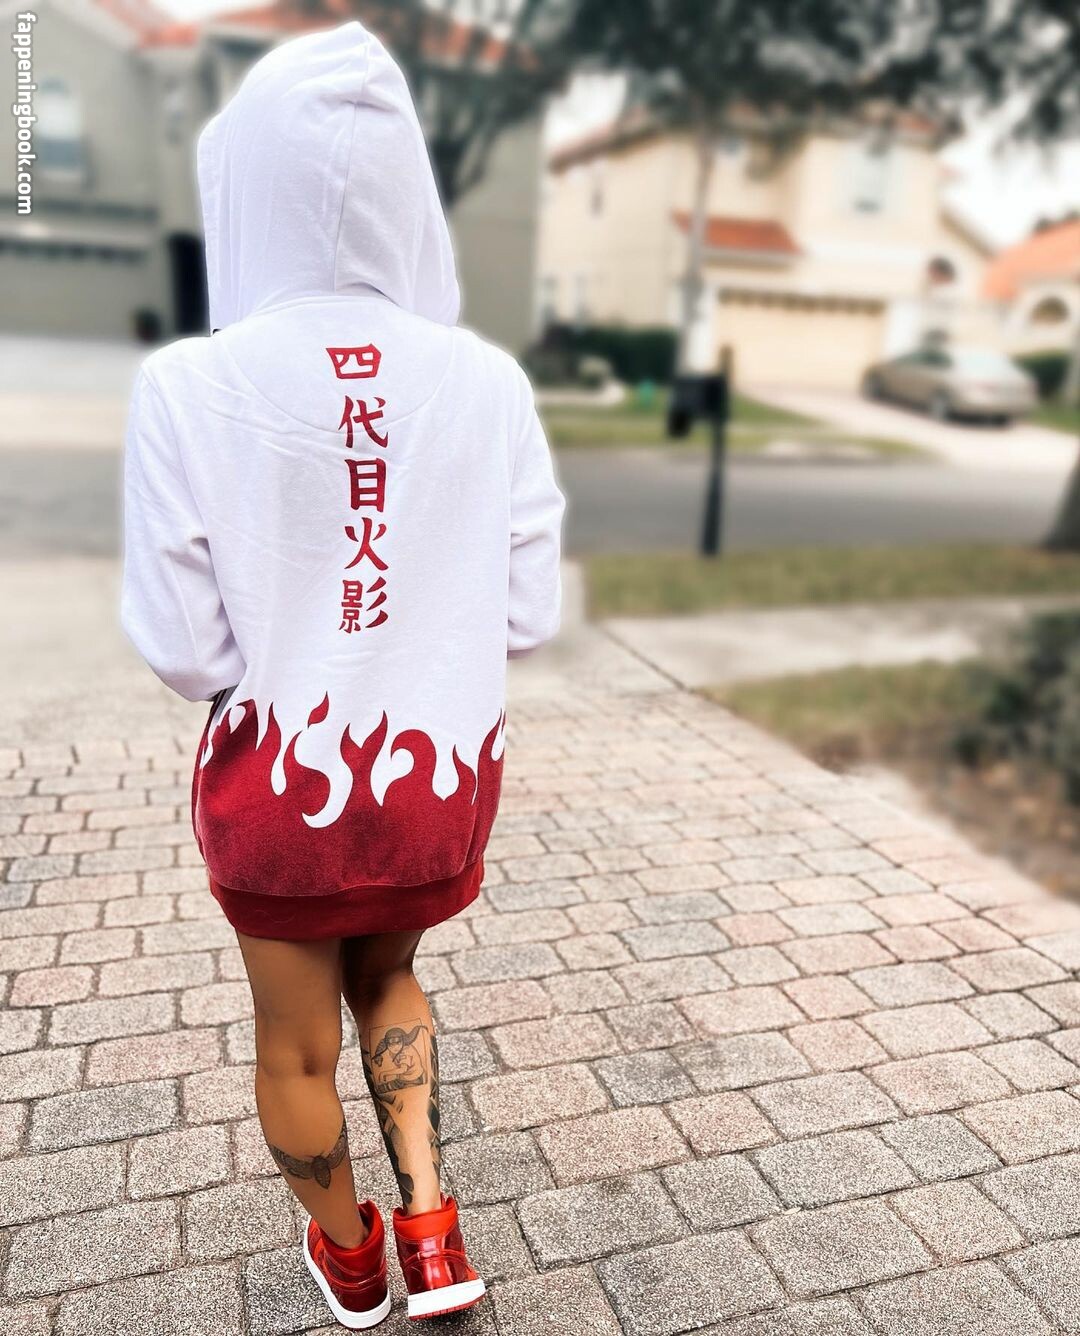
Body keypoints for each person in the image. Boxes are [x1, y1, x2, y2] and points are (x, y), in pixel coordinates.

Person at [120, 20, 564, 1328]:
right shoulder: (487, 383)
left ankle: (355, 1260)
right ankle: (432, 1225)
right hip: (431, 777)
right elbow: (527, 611)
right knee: (389, 975)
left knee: (295, 1040)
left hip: (283, 788)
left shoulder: (187, 385)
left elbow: (183, 648)